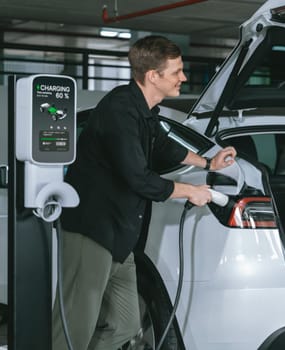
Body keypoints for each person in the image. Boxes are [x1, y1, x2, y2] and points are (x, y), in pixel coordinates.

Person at [52, 35, 237, 350]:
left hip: (121, 236)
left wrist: (209, 161)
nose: (183, 77)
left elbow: (163, 147)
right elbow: (138, 177)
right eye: (177, 71)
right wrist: (189, 191)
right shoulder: (119, 111)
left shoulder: (146, 111)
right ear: (154, 76)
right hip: (93, 232)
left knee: (125, 325)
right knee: (74, 324)